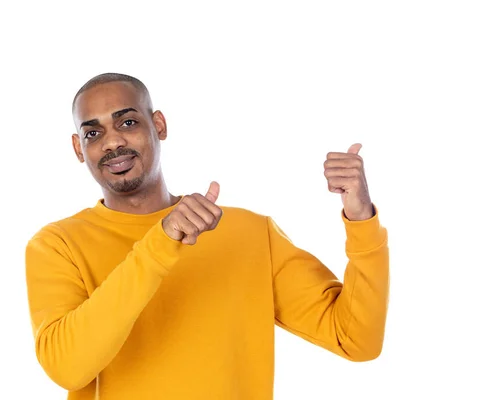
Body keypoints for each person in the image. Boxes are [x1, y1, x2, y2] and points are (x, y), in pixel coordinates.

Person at [24, 72, 389, 400]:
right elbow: (67, 367)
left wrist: (361, 220)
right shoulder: (58, 245)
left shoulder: (248, 233)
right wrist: (160, 243)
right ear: (78, 148)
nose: (111, 142)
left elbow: (356, 338)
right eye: (93, 133)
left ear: (159, 125)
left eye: (128, 122)